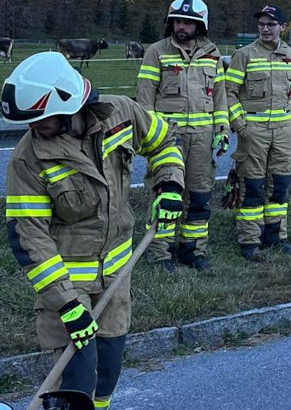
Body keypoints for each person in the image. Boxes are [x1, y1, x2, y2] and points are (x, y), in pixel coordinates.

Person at [3, 52, 184, 409]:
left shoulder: (123, 114)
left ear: (70, 105)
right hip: (66, 284)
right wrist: (67, 304)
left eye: (41, 120)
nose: (34, 128)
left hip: (117, 273)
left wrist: (170, 187)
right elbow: (30, 237)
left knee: (109, 371)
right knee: (77, 379)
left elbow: (164, 141)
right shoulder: (28, 159)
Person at [137, 0, 228, 272]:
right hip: (168, 138)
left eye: (188, 23)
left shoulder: (213, 54)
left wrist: (222, 130)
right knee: (166, 193)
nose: (181, 27)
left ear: (200, 25)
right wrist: (150, 137)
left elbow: (220, 98)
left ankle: (193, 251)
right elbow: (144, 99)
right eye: (177, 21)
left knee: (199, 196)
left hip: (202, 138)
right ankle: (160, 253)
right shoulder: (156, 51)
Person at [224, 5, 291, 260]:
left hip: (283, 132)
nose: (266, 28)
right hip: (254, 132)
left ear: (283, 27)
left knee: (280, 186)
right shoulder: (244, 55)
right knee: (253, 187)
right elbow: (229, 93)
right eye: (262, 24)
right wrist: (241, 127)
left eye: (271, 24)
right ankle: (250, 240)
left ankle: (276, 236)